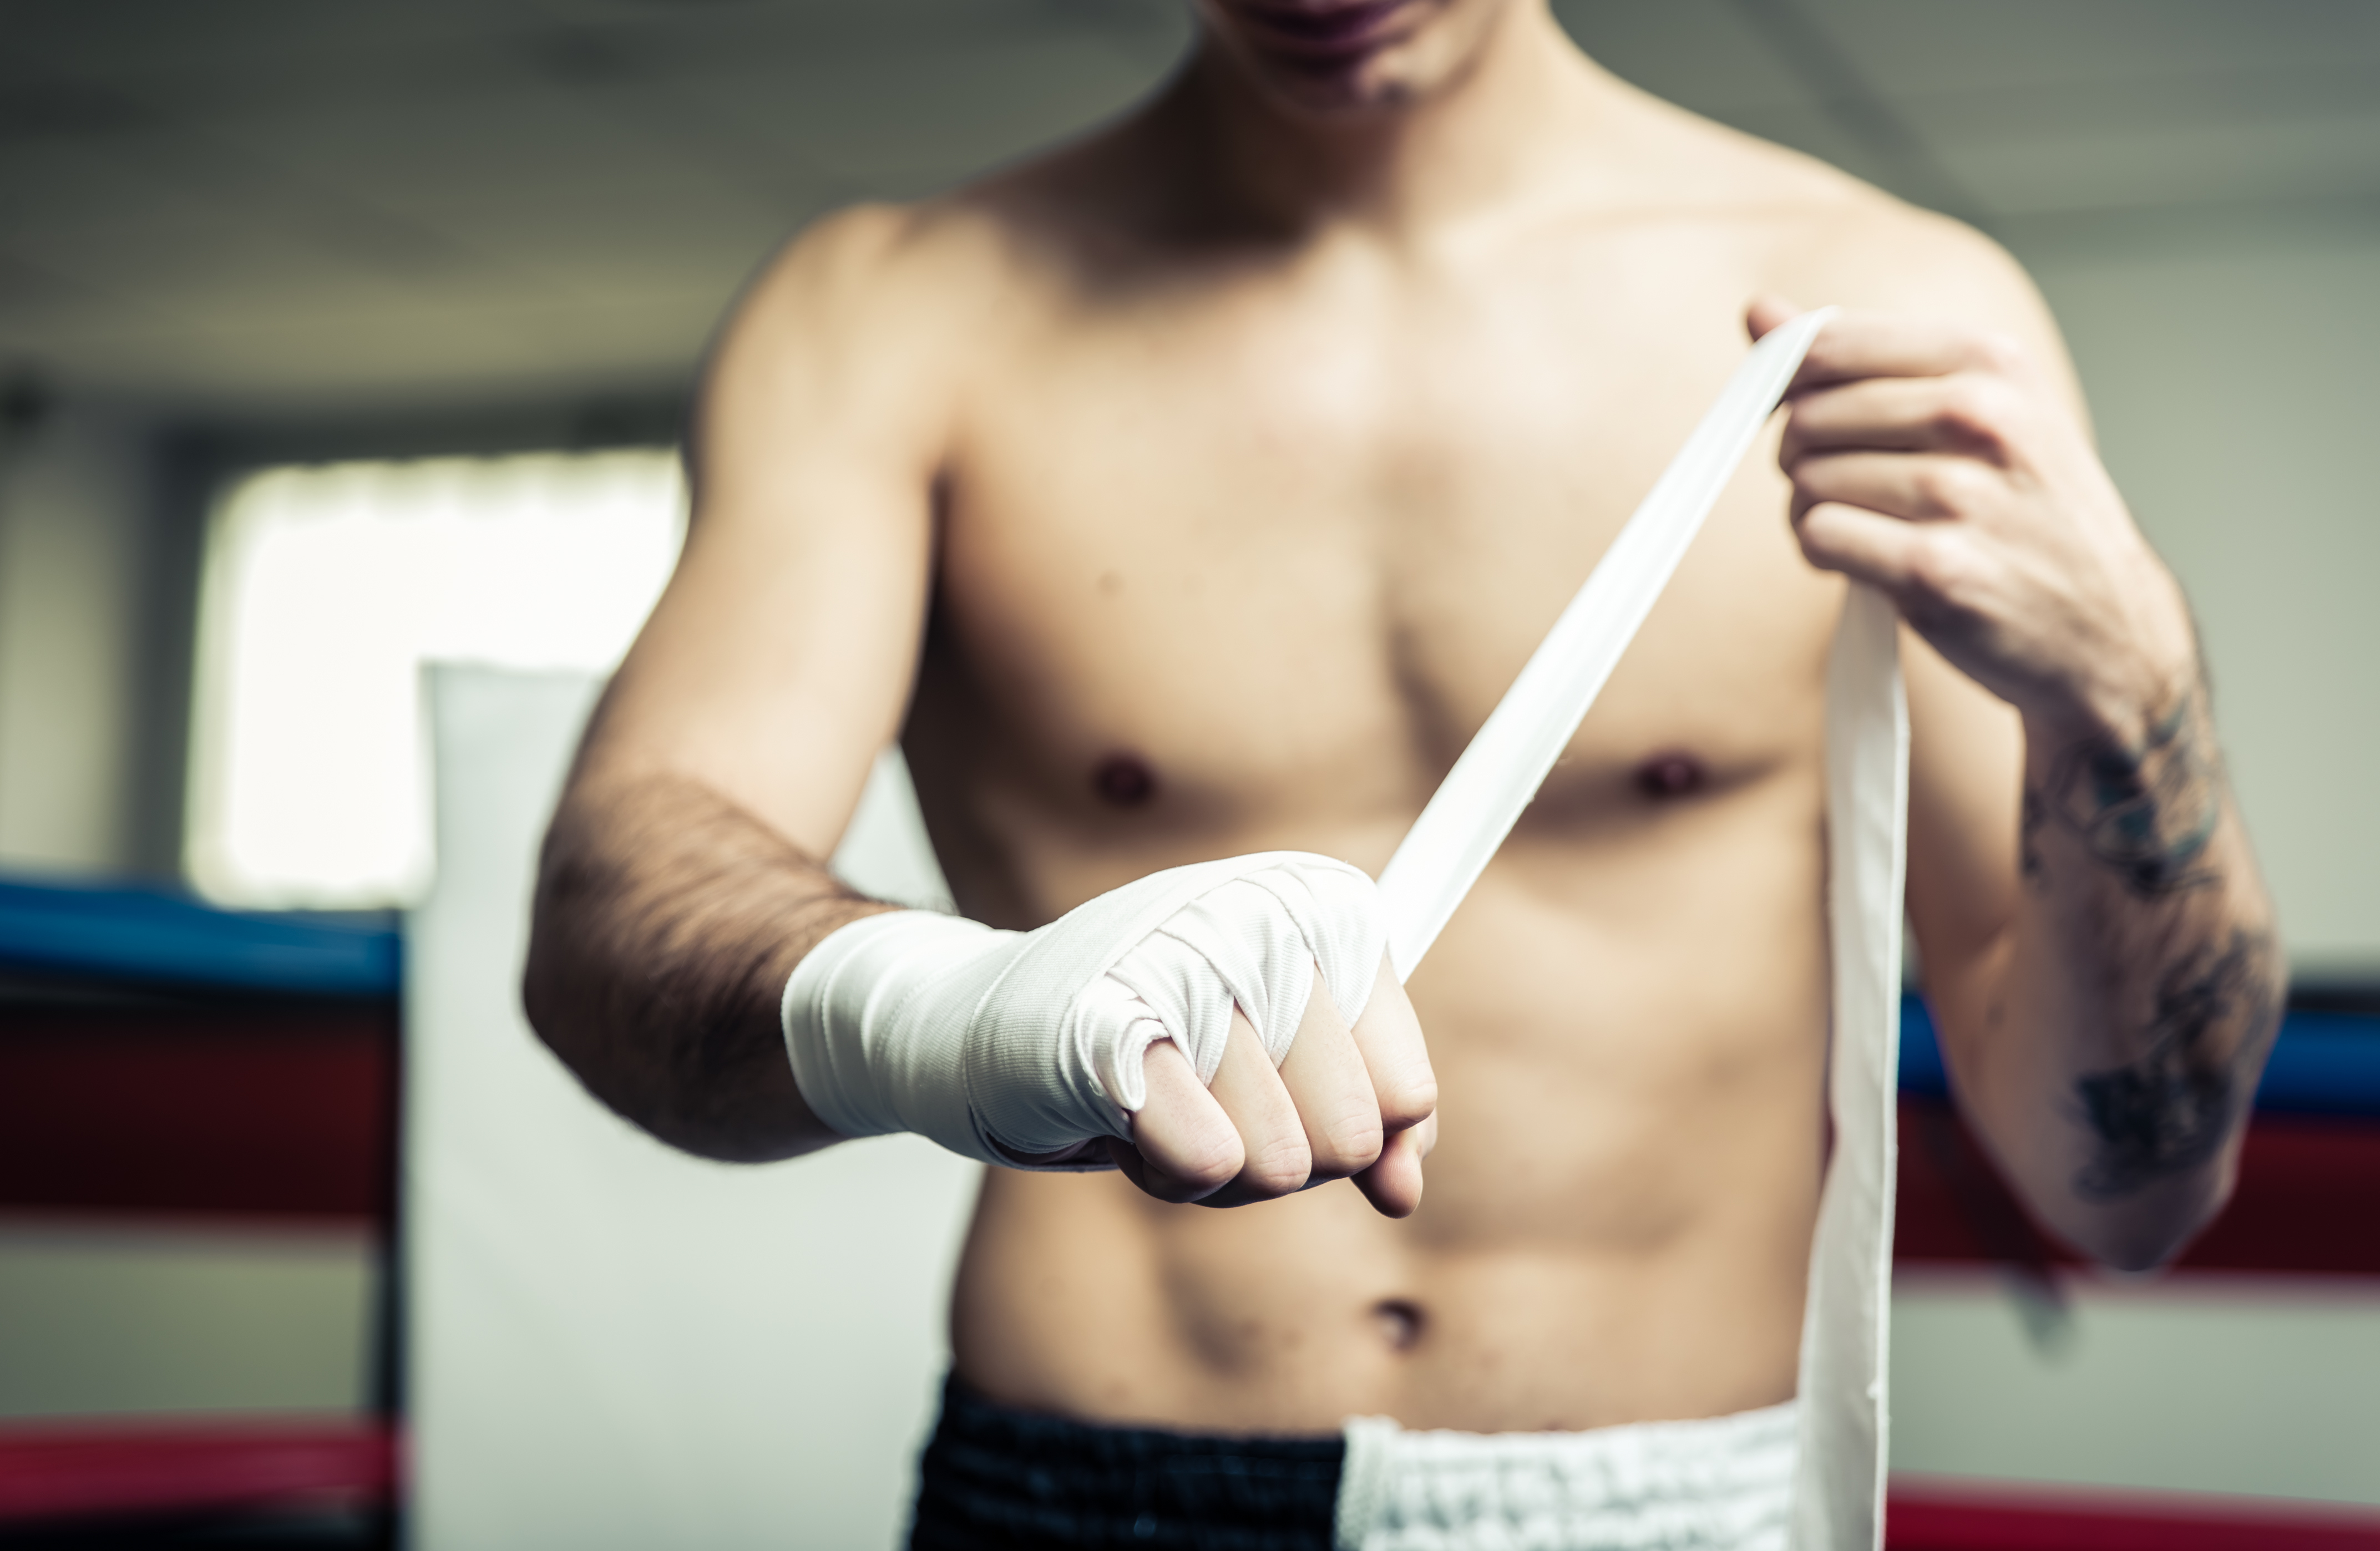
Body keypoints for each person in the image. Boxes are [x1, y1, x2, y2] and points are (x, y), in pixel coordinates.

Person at [523, 1, 2282, 1545]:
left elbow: (2123, 1192)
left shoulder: (1886, 312)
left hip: (1668, 1498)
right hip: (1084, 1483)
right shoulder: (895, 317)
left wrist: (2134, 697)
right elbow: (617, 913)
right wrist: (956, 1006)